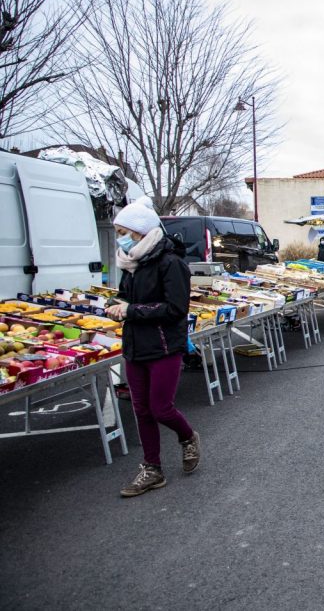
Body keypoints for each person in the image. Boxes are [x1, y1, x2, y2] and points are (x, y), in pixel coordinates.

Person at [106, 201, 199, 498]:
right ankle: (152, 468)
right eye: (118, 232)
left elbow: (175, 308)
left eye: (124, 232)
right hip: (135, 346)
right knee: (141, 409)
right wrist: (114, 306)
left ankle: (187, 436)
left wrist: (131, 310)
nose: (120, 238)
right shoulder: (130, 263)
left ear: (141, 232)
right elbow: (123, 297)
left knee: (161, 408)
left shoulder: (171, 263)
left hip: (164, 346)